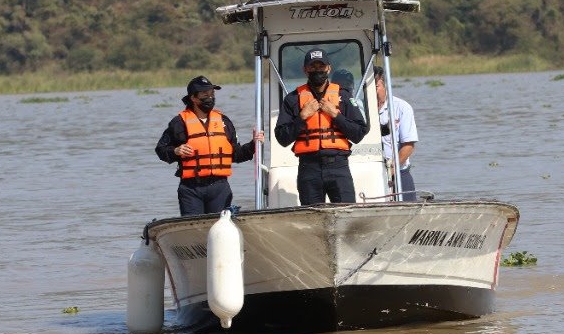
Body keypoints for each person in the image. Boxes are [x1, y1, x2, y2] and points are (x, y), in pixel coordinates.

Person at [155, 75, 264, 216]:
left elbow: (236, 155)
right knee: (194, 226)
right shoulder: (179, 123)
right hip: (191, 189)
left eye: (212, 94)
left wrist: (253, 144)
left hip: (219, 188)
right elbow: (161, 150)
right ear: (193, 98)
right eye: (205, 95)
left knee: (219, 224)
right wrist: (176, 151)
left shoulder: (224, 122)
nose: (210, 98)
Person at [274, 49, 369, 205]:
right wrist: (302, 117)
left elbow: (359, 133)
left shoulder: (344, 96)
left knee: (346, 212)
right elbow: (282, 138)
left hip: (338, 166)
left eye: (321, 66)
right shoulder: (293, 99)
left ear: (328, 68)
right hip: (308, 168)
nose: (317, 70)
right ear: (305, 69)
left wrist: (336, 115)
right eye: (312, 66)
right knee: (312, 215)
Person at [374, 66, 420, 201]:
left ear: (385, 86)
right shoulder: (359, 107)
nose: (372, 92)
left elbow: (409, 146)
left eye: (376, 87)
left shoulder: (401, 107)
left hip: (399, 172)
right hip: (372, 172)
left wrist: (392, 170)